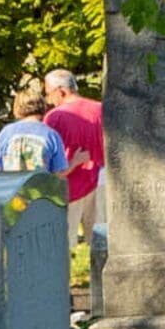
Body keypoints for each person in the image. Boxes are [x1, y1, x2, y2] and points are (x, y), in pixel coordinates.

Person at [42, 68, 103, 223]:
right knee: (102, 241)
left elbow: (47, 156)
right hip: (101, 182)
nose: (49, 100)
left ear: (61, 91)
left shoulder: (55, 117)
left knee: (63, 243)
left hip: (68, 187)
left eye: (49, 94)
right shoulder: (101, 110)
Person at [0, 83, 67, 179]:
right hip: (40, 191)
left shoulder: (7, 132)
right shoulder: (51, 135)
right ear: (43, 106)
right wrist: (75, 161)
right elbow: (58, 174)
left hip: (12, 190)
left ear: (17, 107)